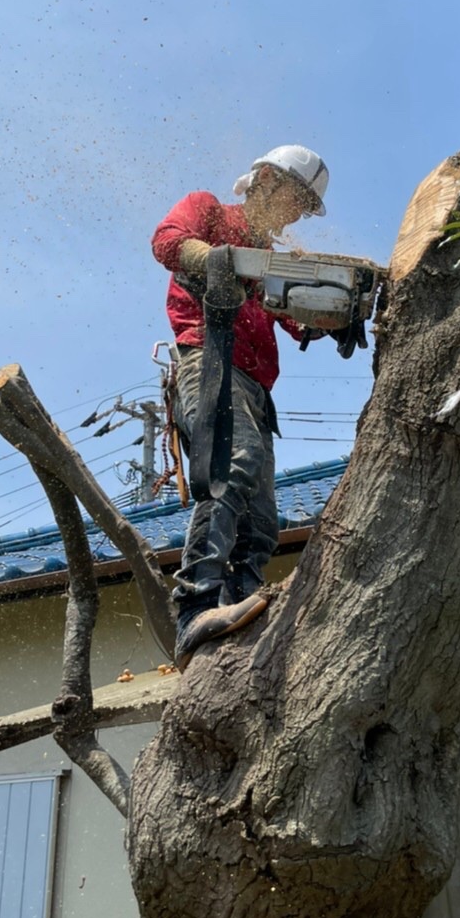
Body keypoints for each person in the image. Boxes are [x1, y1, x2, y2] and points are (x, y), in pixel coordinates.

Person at [152, 146, 331, 670]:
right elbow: (167, 240)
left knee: (262, 517)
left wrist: (333, 308)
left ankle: (241, 603)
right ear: (268, 180)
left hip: (255, 383)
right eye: (296, 199)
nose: (297, 214)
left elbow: (300, 321)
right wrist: (214, 261)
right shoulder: (208, 211)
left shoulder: (273, 258)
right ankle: (196, 605)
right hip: (208, 357)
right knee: (234, 465)